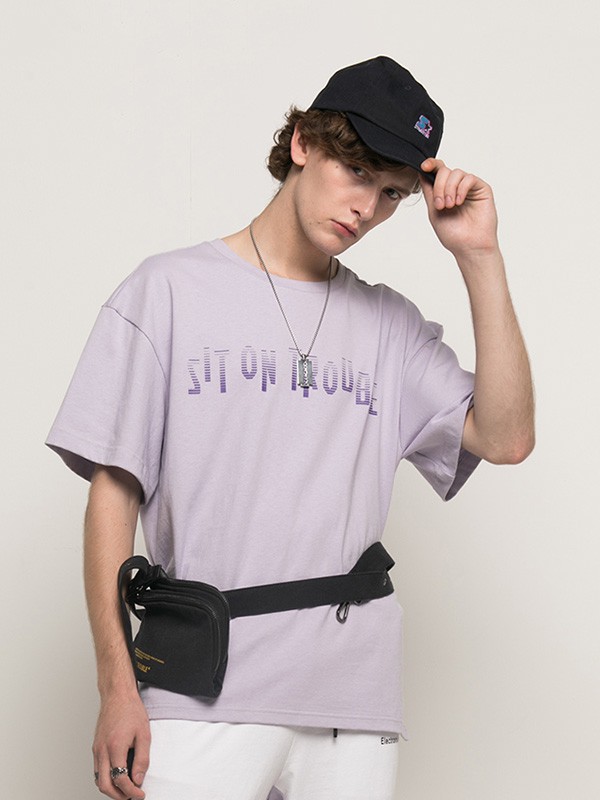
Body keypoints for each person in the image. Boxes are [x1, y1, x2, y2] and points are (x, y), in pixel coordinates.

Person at [46, 56, 534, 800]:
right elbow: (113, 497)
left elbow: (507, 438)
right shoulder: (166, 292)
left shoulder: (390, 326)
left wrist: (481, 257)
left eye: (391, 192)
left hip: (351, 703)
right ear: (303, 142)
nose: (365, 207)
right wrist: (117, 687)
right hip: (203, 688)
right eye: (357, 170)